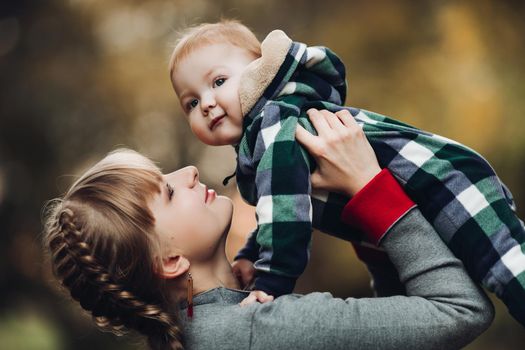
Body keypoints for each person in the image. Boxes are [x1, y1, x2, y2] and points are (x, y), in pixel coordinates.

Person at [168, 20, 525, 325]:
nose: (208, 104)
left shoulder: (274, 123)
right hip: (423, 199)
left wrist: (272, 280)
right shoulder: (261, 141)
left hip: (443, 181)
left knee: (510, 270)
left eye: (218, 82)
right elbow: (277, 207)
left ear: (260, 72)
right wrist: (250, 254)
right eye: (192, 102)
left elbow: (286, 212)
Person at [42, 109, 493, 349]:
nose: (189, 174)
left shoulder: (203, 330)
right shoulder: (256, 329)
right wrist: (370, 188)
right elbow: (458, 313)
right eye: (168, 192)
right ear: (169, 261)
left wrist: (366, 231)